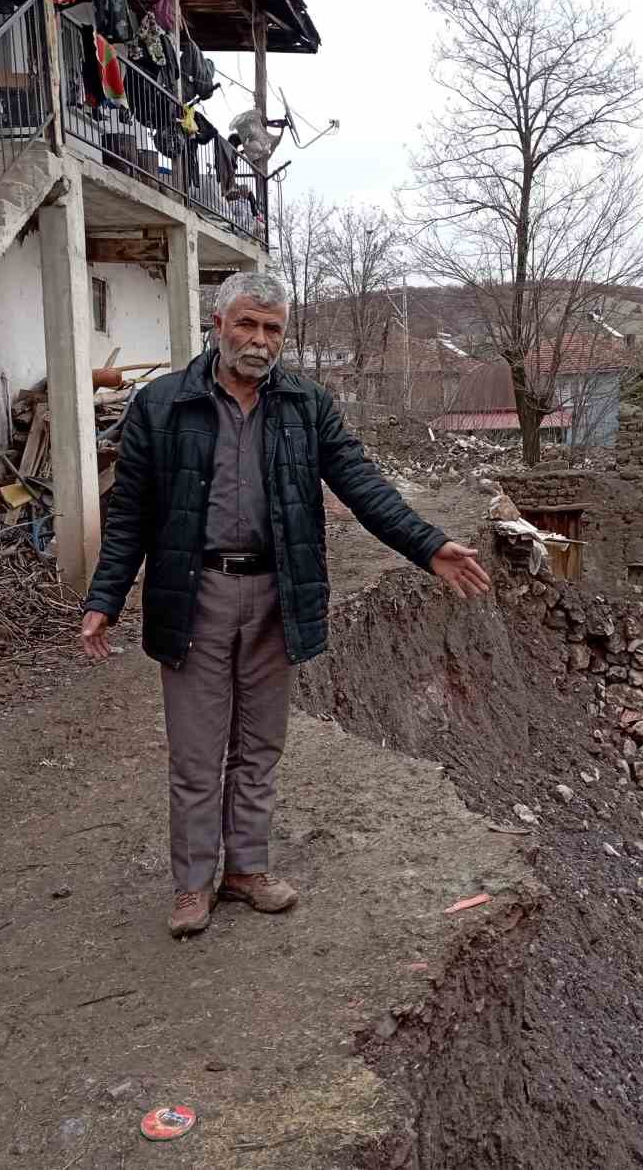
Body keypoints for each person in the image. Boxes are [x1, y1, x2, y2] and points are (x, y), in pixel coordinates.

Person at [79, 272, 492, 938]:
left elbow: (362, 485)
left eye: (273, 328)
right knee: (195, 753)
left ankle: (246, 869)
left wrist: (429, 545)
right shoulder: (162, 405)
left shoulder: (306, 405)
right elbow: (130, 513)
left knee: (260, 745)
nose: (260, 340)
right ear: (218, 325)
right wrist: (106, 597)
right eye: (247, 324)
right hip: (195, 594)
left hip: (277, 592)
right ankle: (193, 884)